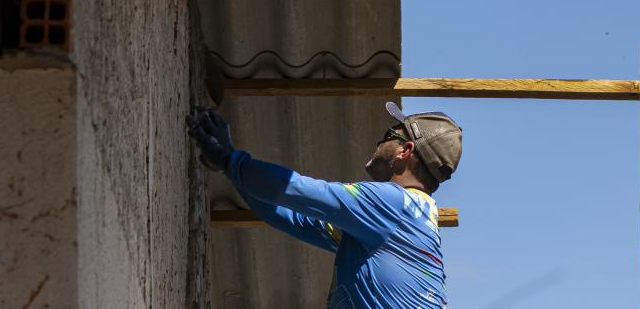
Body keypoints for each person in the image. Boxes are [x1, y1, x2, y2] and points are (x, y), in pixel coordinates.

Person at [187, 102, 463, 309]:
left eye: (391, 133)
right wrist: (232, 169)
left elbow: (293, 189)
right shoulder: (407, 219)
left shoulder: (393, 204)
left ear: (406, 151)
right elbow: (287, 214)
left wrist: (229, 159)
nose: (382, 140)